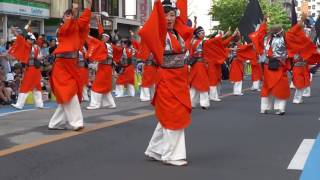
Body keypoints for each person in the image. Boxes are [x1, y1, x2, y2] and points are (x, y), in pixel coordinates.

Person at [139, 0, 194, 166]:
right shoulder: (157, 34)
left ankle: (155, 149)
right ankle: (171, 155)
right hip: (166, 79)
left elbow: (184, 21)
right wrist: (158, 6)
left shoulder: (177, 32)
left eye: (171, 15)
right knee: (173, 116)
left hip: (179, 79)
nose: (169, 18)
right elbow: (146, 30)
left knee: (168, 116)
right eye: (165, 15)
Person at [250, 15, 317, 115]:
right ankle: (280, 108)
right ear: (280, 31)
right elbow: (294, 31)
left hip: (268, 66)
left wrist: (264, 22)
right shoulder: (286, 38)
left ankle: (264, 108)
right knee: (281, 87)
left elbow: (259, 34)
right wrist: (301, 21)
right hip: (280, 66)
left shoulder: (266, 39)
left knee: (267, 87)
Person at [48, 0, 92, 131]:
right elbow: (68, 27)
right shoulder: (61, 29)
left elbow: (83, 21)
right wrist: (73, 11)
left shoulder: (76, 26)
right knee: (69, 93)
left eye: (70, 15)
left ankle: (54, 123)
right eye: (66, 15)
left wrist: (88, 7)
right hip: (61, 65)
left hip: (72, 65)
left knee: (68, 94)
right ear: (62, 18)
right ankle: (76, 123)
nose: (68, 17)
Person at [9, 26, 44, 110]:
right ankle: (39, 104)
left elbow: (20, 39)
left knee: (25, 86)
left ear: (29, 40)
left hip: (31, 69)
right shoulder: (36, 47)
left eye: (27, 39)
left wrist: (16, 32)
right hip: (36, 69)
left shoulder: (28, 46)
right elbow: (41, 57)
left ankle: (19, 104)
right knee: (37, 86)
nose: (26, 40)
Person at [86, 15, 116, 109]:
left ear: (107, 38)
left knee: (96, 86)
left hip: (104, 67)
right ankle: (110, 103)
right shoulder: (109, 45)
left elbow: (100, 32)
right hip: (106, 67)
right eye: (102, 36)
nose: (102, 37)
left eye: (104, 36)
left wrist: (87, 34)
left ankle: (95, 104)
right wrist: (98, 22)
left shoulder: (104, 45)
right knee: (105, 87)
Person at [189, 26, 210, 109]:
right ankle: (204, 104)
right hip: (200, 65)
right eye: (202, 33)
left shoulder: (192, 42)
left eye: (204, 33)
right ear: (197, 34)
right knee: (203, 84)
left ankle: (191, 103)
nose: (203, 34)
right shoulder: (201, 42)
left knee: (194, 85)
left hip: (195, 65)